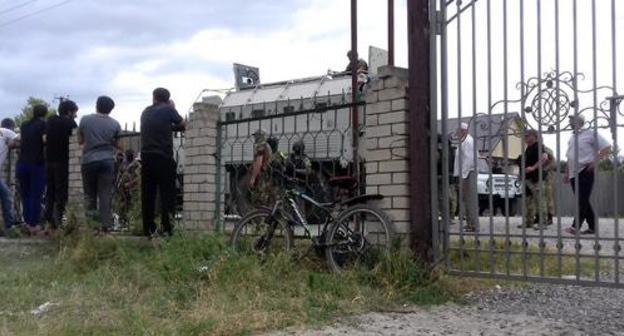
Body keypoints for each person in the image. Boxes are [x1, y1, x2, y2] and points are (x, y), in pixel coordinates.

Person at [140, 88, 185, 237]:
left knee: (148, 195)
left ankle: (149, 229)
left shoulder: (145, 111)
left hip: (146, 157)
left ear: (154, 98)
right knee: (167, 195)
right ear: (167, 99)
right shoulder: (168, 109)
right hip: (163, 157)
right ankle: (167, 229)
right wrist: (173, 108)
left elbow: (160, 126)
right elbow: (183, 124)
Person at [78, 96, 122, 233]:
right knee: (105, 193)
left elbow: (80, 140)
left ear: (96, 105)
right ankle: (105, 226)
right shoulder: (115, 124)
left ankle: (92, 226)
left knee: (90, 194)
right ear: (111, 109)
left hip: (89, 160)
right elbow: (118, 144)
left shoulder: (85, 120)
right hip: (107, 160)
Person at [564, 115, 611, 235]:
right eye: (570, 121)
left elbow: (607, 147)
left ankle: (575, 227)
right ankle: (593, 227)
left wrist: (595, 162)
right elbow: (569, 157)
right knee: (583, 200)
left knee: (582, 200)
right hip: (573, 174)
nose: (570, 123)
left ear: (579, 122)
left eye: (572, 121)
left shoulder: (590, 133)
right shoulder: (572, 138)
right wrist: (566, 173)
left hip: (586, 171)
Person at [44, 99, 78, 233]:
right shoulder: (70, 123)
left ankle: (49, 219)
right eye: (75, 112)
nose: (76, 115)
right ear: (69, 112)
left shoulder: (51, 120)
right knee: (61, 192)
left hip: (49, 161)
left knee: (50, 191)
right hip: (62, 162)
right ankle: (58, 222)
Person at [16, 104, 47, 235]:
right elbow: (45, 140)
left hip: (21, 164)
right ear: (44, 114)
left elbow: (20, 140)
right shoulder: (43, 125)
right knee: (36, 195)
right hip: (36, 164)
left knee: (25, 195)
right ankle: (33, 224)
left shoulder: (24, 125)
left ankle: (27, 223)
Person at [517, 129, 554, 230]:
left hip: (536, 178)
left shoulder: (539, 146)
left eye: (528, 136)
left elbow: (544, 157)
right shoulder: (529, 148)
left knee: (540, 201)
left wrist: (533, 167)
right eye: (525, 136)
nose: (526, 138)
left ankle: (543, 223)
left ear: (534, 136)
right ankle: (528, 222)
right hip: (528, 179)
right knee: (528, 201)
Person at [453, 122, 478, 232]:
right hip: (465, 173)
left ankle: (473, 225)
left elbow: (469, 159)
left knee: (470, 200)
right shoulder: (463, 141)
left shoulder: (468, 141)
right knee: (466, 200)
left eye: (458, 131)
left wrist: (463, 176)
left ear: (463, 131)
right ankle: (470, 224)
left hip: (468, 173)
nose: (457, 133)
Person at [0, 119, 19, 236]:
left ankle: (9, 225)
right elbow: (20, 138)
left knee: (5, 193)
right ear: (11, 127)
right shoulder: (7, 131)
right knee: (6, 194)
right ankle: (10, 225)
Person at [114, 149, 141, 228]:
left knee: (133, 206)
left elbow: (139, 177)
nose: (128, 155)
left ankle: (133, 224)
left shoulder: (136, 165)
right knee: (123, 207)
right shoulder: (123, 165)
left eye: (130, 154)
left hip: (133, 189)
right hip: (123, 191)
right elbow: (119, 176)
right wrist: (118, 185)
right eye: (127, 154)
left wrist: (130, 184)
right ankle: (123, 222)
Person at [248, 129, 275, 207]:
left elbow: (259, 162)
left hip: (262, 176)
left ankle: (259, 217)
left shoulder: (261, 146)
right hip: (267, 176)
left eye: (256, 136)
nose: (254, 138)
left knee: (259, 200)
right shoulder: (267, 145)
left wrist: (253, 178)